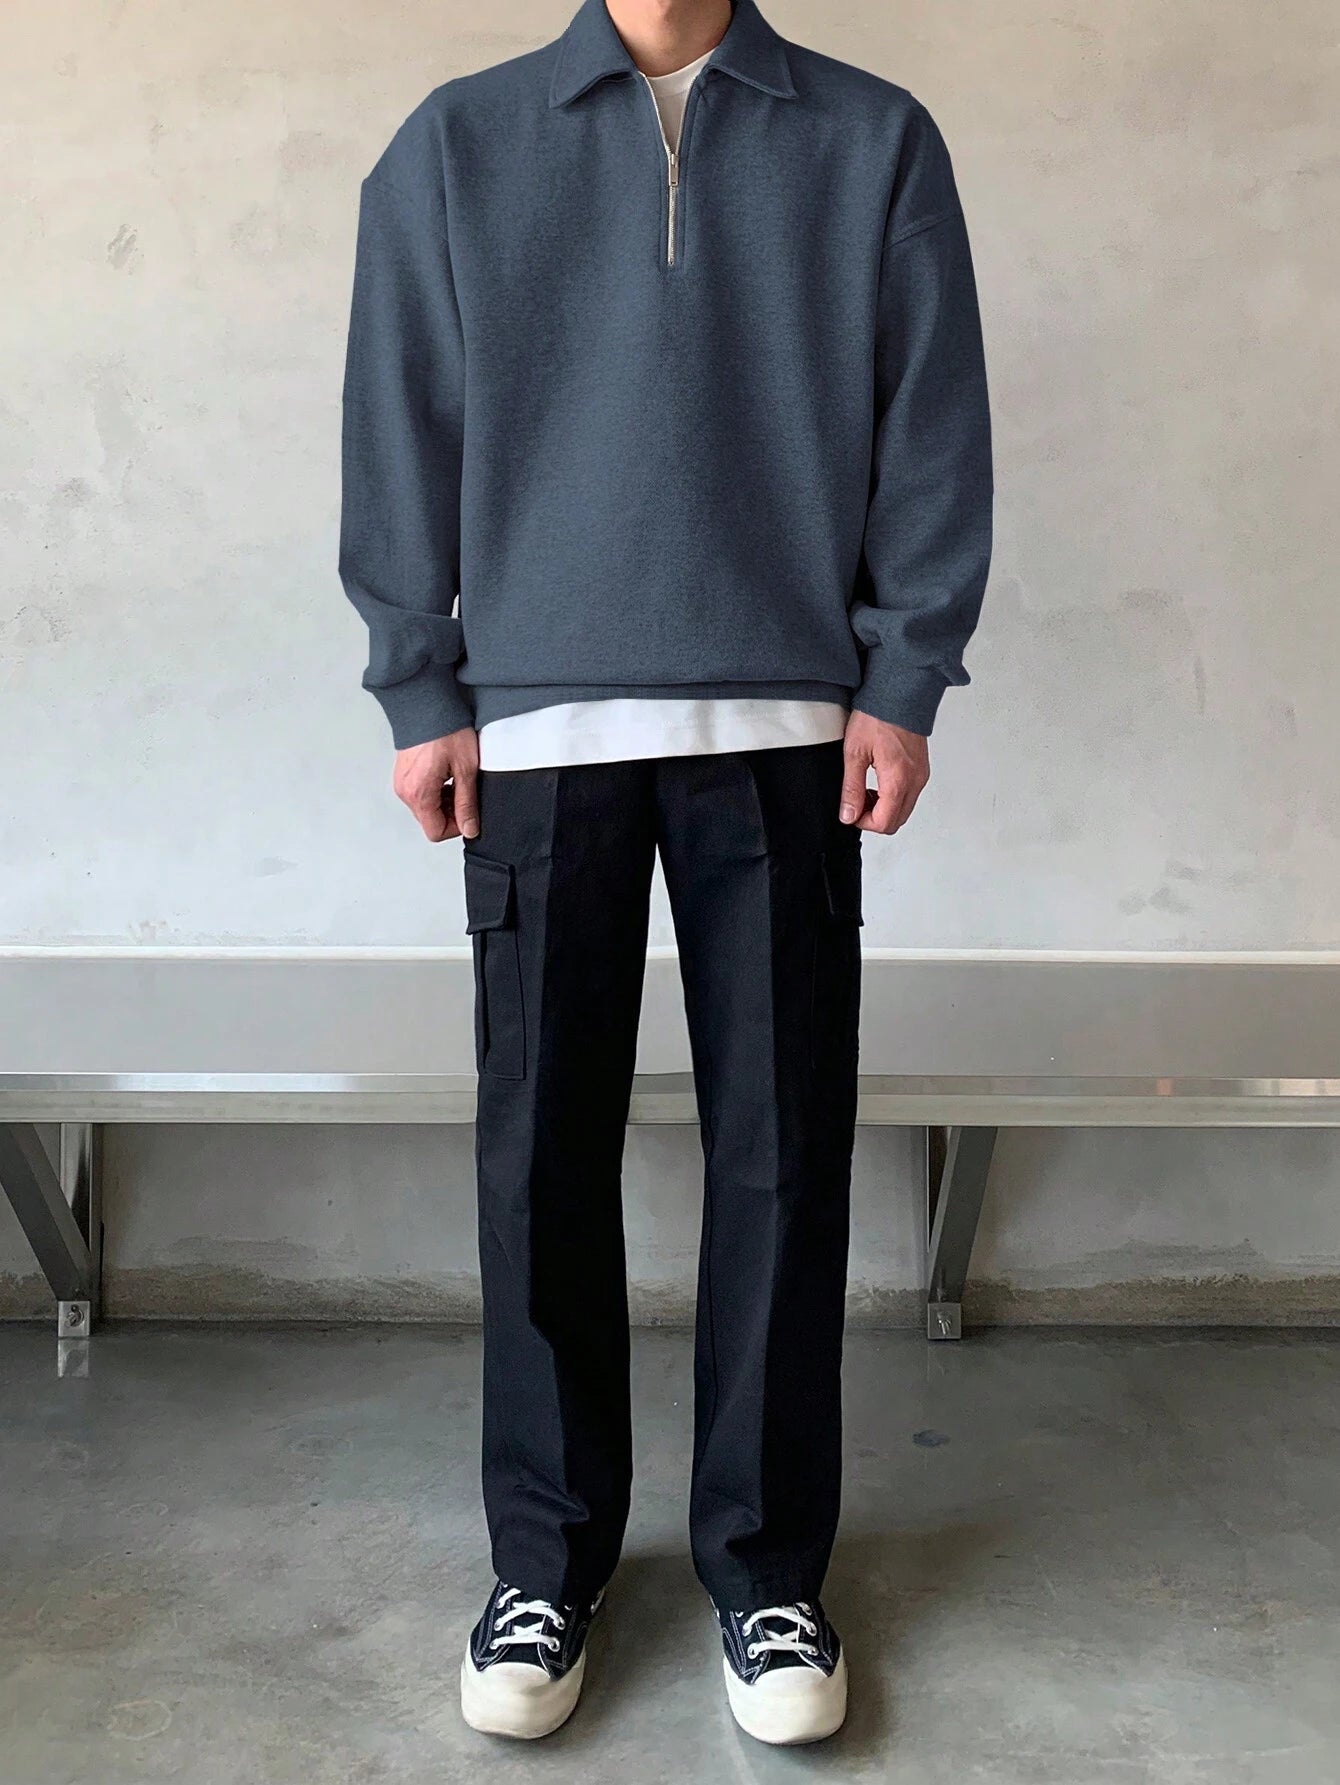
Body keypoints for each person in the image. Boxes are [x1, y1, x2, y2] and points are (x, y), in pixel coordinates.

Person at [338, 0, 991, 1746]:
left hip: (787, 720)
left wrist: (905, 678)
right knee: (539, 1154)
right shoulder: (458, 145)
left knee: (783, 1152)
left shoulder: (873, 140)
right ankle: (544, 1560)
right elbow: (400, 415)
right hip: (536, 728)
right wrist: (420, 685)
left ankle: (768, 1570)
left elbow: (930, 422)